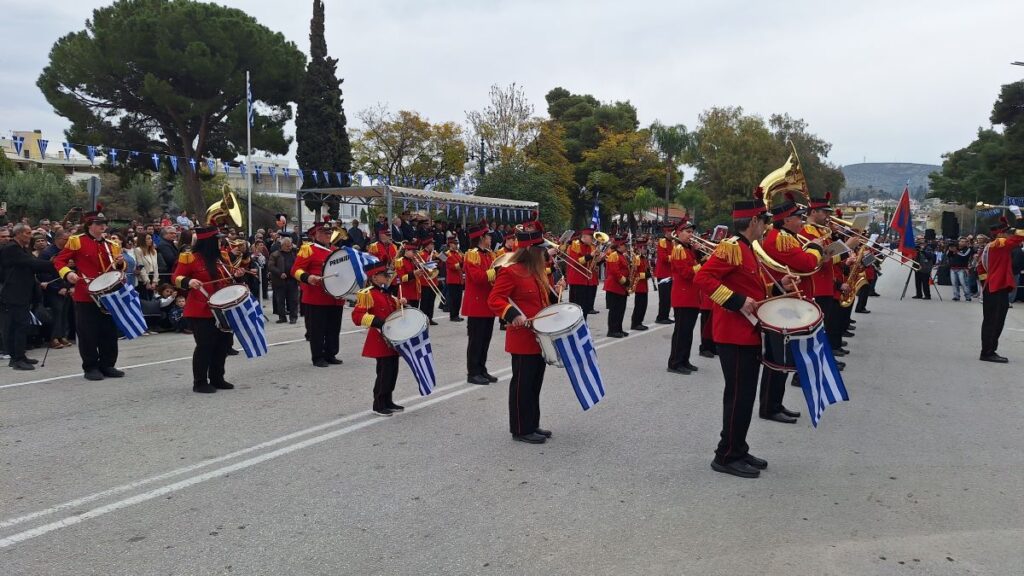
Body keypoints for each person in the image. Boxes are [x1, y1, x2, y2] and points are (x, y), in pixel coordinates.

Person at [693, 194, 794, 479]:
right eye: (764, 221)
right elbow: (703, 278)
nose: (766, 226)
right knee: (738, 396)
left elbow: (755, 292)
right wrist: (736, 301)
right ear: (753, 220)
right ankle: (725, 455)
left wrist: (778, 288)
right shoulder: (732, 247)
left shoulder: (749, 249)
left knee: (745, 396)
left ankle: (738, 447)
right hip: (733, 335)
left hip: (747, 333)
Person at [756, 196, 823, 424]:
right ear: (785, 220)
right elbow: (807, 264)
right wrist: (816, 247)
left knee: (783, 359)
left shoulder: (787, 236)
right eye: (797, 217)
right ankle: (768, 406)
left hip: (790, 300)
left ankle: (775, 403)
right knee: (776, 360)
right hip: (784, 302)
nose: (802, 221)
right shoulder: (782, 239)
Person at [487, 221, 553, 444]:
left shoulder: (535, 271)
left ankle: (532, 423)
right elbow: (494, 299)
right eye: (541, 249)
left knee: (535, 383)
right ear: (531, 251)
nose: (544, 252)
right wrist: (513, 314)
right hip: (523, 338)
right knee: (522, 385)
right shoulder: (511, 272)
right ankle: (520, 429)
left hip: (539, 337)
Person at [52, 207, 127, 381]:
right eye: (99, 223)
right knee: (88, 332)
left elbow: (120, 270)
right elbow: (59, 260)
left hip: (109, 294)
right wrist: (68, 273)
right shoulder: (77, 241)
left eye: (104, 223)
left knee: (109, 331)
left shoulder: (113, 245)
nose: (103, 226)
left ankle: (108, 364)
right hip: (86, 293)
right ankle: (91, 366)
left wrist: (121, 264)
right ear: (89, 225)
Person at [172, 226, 245, 392]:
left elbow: (226, 279)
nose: (220, 242)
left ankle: (217, 378)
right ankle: (200, 382)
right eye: (217, 239)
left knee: (222, 344)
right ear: (208, 242)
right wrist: (188, 281)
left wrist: (237, 275)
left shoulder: (222, 257)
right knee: (205, 345)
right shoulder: (189, 257)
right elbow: (176, 276)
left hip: (222, 308)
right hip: (200, 309)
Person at [351, 261, 407, 416]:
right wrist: (379, 322)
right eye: (384, 275)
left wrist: (400, 303)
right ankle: (379, 403)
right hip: (379, 338)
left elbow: (392, 310)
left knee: (392, 371)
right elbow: (357, 316)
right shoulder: (367, 294)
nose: (387, 277)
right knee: (384, 372)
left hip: (392, 339)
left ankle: (388, 400)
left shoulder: (385, 293)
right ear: (374, 277)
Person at [291, 219, 346, 368]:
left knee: (334, 328)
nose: (327, 235)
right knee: (317, 329)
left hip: (335, 297)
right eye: (323, 232)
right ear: (315, 235)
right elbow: (295, 270)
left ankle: (331, 353)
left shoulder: (336, 251)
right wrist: (308, 277)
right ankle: (318, 357)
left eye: (329, 232)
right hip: (316, 296)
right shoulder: (308, 249)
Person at [1, 223, 56, 370]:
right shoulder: (11, 248)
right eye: (27, 233)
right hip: (13, 294)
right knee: (16, 326)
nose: (30, 235)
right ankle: (16, 359)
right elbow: (32, 263)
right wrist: (53, 264)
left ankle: (20, 354)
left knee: (22, 325)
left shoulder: (23, 249)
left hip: (23, 293)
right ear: (18, 234)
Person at [978, 218, 1024, 362]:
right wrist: (1020, 221)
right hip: (996, 287)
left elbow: (980, 268)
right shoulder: (999, 244)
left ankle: (990, 350)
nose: (1010, 235)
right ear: (1001, 234)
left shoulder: (992, 246)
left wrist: (986, 282)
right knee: (994, 321)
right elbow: (1019, 238)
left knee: (995, 320)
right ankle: (987, 352)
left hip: (995, 286)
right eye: (1008, 232)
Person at [462, 221, 498, 385]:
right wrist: (496, 271)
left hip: (488, 304)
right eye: (488, 235)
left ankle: (482, 369)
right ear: (482, 238)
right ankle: (473, 372)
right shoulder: (472, 254)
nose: (490, 238)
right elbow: (477, 278)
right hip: (477, 305)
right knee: (476, 341)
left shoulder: (489, 254)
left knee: (485, 340)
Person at [667, 220, 701, 375]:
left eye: (692, 232)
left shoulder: (689, 250)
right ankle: (675, 363)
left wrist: (699, 254)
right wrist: (701, 265)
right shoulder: (679, 249)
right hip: (683, 296)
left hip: (692, 296)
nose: (691, 235)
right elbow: (686, 273)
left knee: (688, 332)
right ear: (679, 233)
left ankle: (684, 360)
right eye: (687, 232)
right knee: (681, 332)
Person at [566, 229, 603, 315]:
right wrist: (591, 255)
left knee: (584, 309)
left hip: (586, 280)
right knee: (576, 308)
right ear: (584, 237)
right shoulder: (575, 245)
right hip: (577, 279)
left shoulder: (590, 246)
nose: (593, 240)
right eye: (591, 237)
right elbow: (576, 262)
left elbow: (592, 264)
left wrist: (599, 259)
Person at [603, 237, 631, 337]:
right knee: (615, 310)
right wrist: (625, 281)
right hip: (614, 286)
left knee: (621, 309)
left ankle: (618, 328)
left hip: (620, 287)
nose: (626, 246)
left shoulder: (621, 255)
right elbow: (615, 272)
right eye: (624, 245)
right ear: (619, 246)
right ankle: (612, 330)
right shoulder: (614, 255)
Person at [269, 236, 299, 324]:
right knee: (280, 300)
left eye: (290, 245)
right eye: (287, 246)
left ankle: (293, 317)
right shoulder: (275, 254)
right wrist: (280, 273)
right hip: (279, 281)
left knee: (293, 300)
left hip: (292, 280)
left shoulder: (294, 253)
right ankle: (282, 317)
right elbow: (271, 266)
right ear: (282, 245)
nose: (289, 247)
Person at [654, 224, 675, 324]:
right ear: (666, 232)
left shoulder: (673, 242)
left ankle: (665, 316)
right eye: (670, 232)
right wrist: (676, 257)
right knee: (664, 297)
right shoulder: (662, 241)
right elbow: (663, 258)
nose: (672, 233)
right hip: (663, 273)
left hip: (670, 273)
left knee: (669, 298)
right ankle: (661, 317)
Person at [393, 240, 423, 310]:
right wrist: (414, 273)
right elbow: (402, 278)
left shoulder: (413, 261)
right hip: (406, 293)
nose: (415, 254)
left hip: (415, 292)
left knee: (415, 313)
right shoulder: (400, 261)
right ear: (406, 250)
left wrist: (421, 268)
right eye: (413, 252)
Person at [629, 236, 651, 331]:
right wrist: (645, 275)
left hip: (644, 285)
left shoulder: (644, 258)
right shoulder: (637, 258)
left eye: (645, 248)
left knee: (644, 305)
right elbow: (634, 272)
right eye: (643, 248)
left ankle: (640, 322)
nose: (645, 250)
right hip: (639, 285)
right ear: (639, 248)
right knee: (639, 306)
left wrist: (648, 272)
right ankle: (635, 323)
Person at [444, 236, 465, 322]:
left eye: (456, 244)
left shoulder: (457, 253)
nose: (456, 245)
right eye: (454, 244)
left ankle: (456, 314)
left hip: (459, 279)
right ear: (450, 244)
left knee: (459, 299)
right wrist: (463, 262)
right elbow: (452, 266)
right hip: (452, 280)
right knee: (453, 299)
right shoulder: (447, 254)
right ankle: (453, 316)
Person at [947, 237, 974, 302]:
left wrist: (956, 251)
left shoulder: (968, 249)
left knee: (964, 283)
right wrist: (950, 250)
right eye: (961, 241)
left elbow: (964, 255)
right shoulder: (955, 248)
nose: (962, 243)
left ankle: (968, 297)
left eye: (964, 241)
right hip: (953, 268)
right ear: (958, 242)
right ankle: (956, 296)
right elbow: (948, 255)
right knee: (954, 283)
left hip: (962, 269)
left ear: (967, 243)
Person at [135, 233, 160, 300]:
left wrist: (155, 281)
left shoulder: (154, 251)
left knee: (151, 299)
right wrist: (147, 282)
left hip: (152, 277)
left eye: (151, 238)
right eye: (148, 238)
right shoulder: (138, 250)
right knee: (145, 299)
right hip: (143, 279)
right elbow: (141, 267)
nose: (151, 240)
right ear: (143, 240)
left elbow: (156, 267)